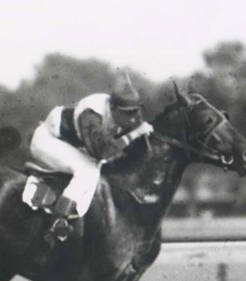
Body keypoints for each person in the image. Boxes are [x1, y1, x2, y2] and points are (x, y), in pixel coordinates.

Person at [27, 70, 154, 240]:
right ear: (113, 108)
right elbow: (102, 152)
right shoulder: (91, 114)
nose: (132, 119)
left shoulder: (121, 113)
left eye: (135, 112)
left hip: (70, 144)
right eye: (128, 113)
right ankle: (58, 220)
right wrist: (134, 134)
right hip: (48, 140)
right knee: (87, 170)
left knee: (97, 171)